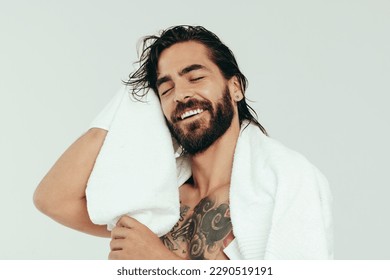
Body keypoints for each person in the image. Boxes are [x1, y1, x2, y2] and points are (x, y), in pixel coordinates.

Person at [33, 25, 333, 260]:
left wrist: (162, 261)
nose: (180, 94)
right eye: (165, 89)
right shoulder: (156, 195)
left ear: (235, 87)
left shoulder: (288, 179)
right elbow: (53, 200)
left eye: (195, 77)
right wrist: (124, 108)